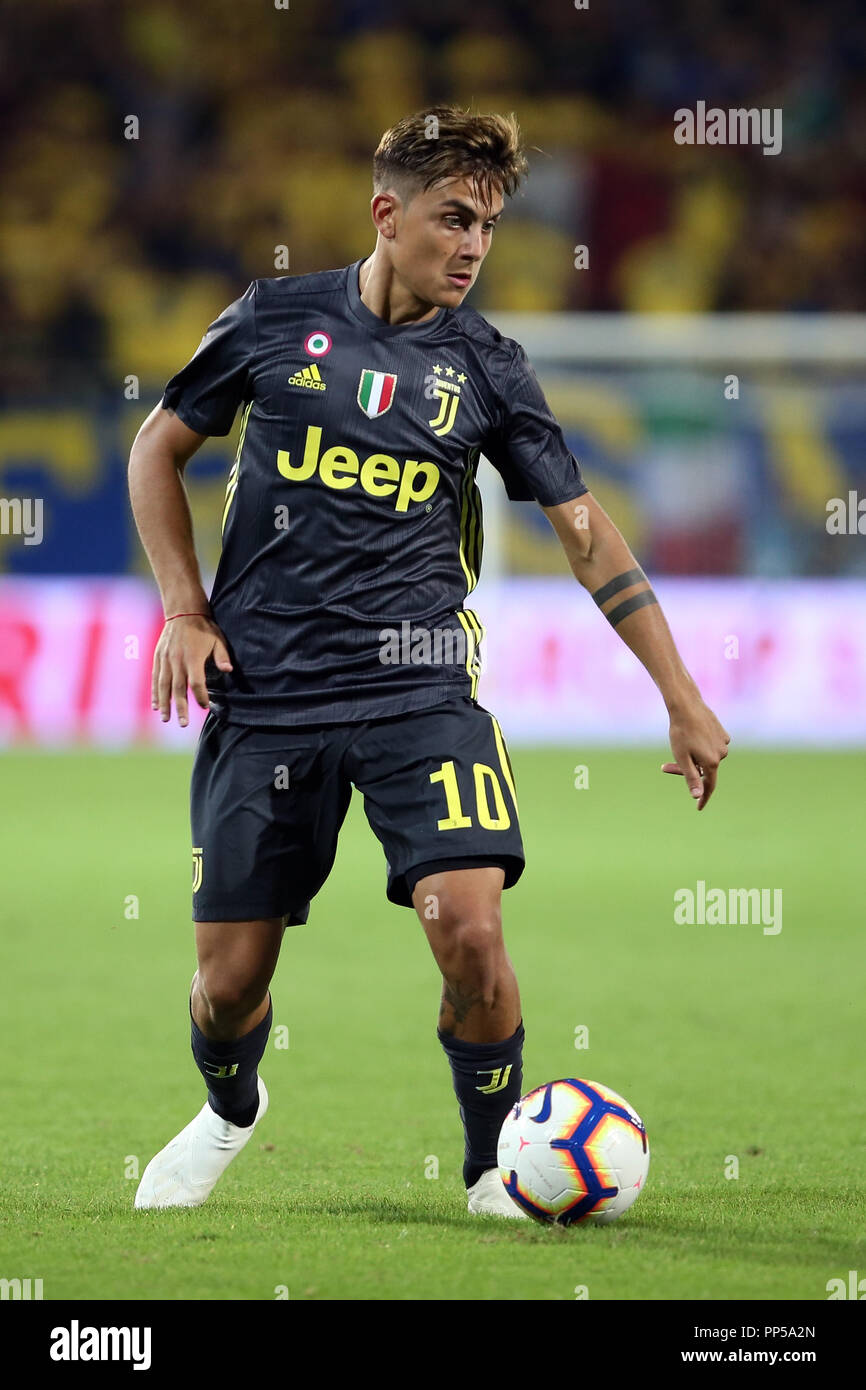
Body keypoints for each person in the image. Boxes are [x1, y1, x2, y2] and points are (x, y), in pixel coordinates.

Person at [128, 104, 730, 1218]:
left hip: (419, 693)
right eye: (453, 218)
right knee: (226, 987)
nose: (472, 246)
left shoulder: (488, 368)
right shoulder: (273, 321)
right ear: (384, 213)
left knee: (471, 930)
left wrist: (680, 694)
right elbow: (156, 444)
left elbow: (586, 533)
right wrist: (183, 608)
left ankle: (488, 1168)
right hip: (265, 698)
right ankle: (229, 1110)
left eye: (489, 226)